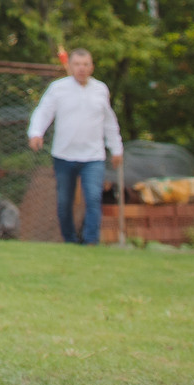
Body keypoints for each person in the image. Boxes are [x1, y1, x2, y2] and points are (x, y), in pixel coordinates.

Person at [29, 51, 123, 245]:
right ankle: (70, 239)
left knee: (93, 198)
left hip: (93, 157)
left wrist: (116, 149)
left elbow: (109, 122)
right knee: (64, 201)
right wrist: (36, 133)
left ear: (92, 67)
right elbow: (44, 111)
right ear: (70, 66)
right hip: (64, 155)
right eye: (78, 64)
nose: (82, 68)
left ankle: (90, 241)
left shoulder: (100, 89)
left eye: (86, 64)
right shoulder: (58, 88)